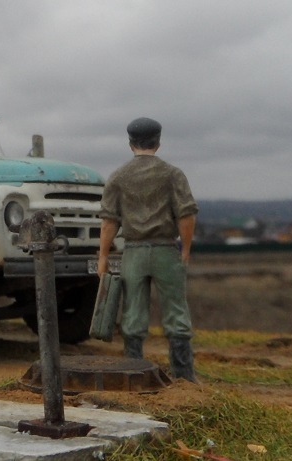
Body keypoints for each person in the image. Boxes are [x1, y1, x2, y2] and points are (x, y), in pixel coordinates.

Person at [97, 117, 199, 382]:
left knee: (132, 313)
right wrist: (185, 248)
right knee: (176, 311)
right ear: (158, 142)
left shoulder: (118, 176)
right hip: (166, 248)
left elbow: (109, 221)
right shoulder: (172, 174)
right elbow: (186, 215)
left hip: (134, 252)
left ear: (131, 144)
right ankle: (184, 375)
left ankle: (133, 371)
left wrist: (103, 256)